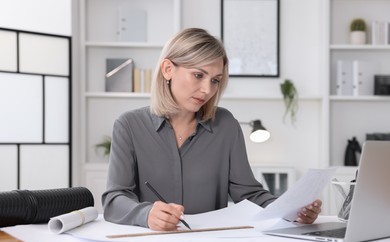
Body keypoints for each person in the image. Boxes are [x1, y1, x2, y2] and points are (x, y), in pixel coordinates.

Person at [102, 28, 322, 231]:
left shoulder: (226, 125)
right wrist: (146, 214)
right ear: (168, 69)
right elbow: (114, 199)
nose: (207, 90)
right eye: (198, 75)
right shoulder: (129, 125)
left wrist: (291, 211)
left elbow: (249, 194)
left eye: (215, 80)